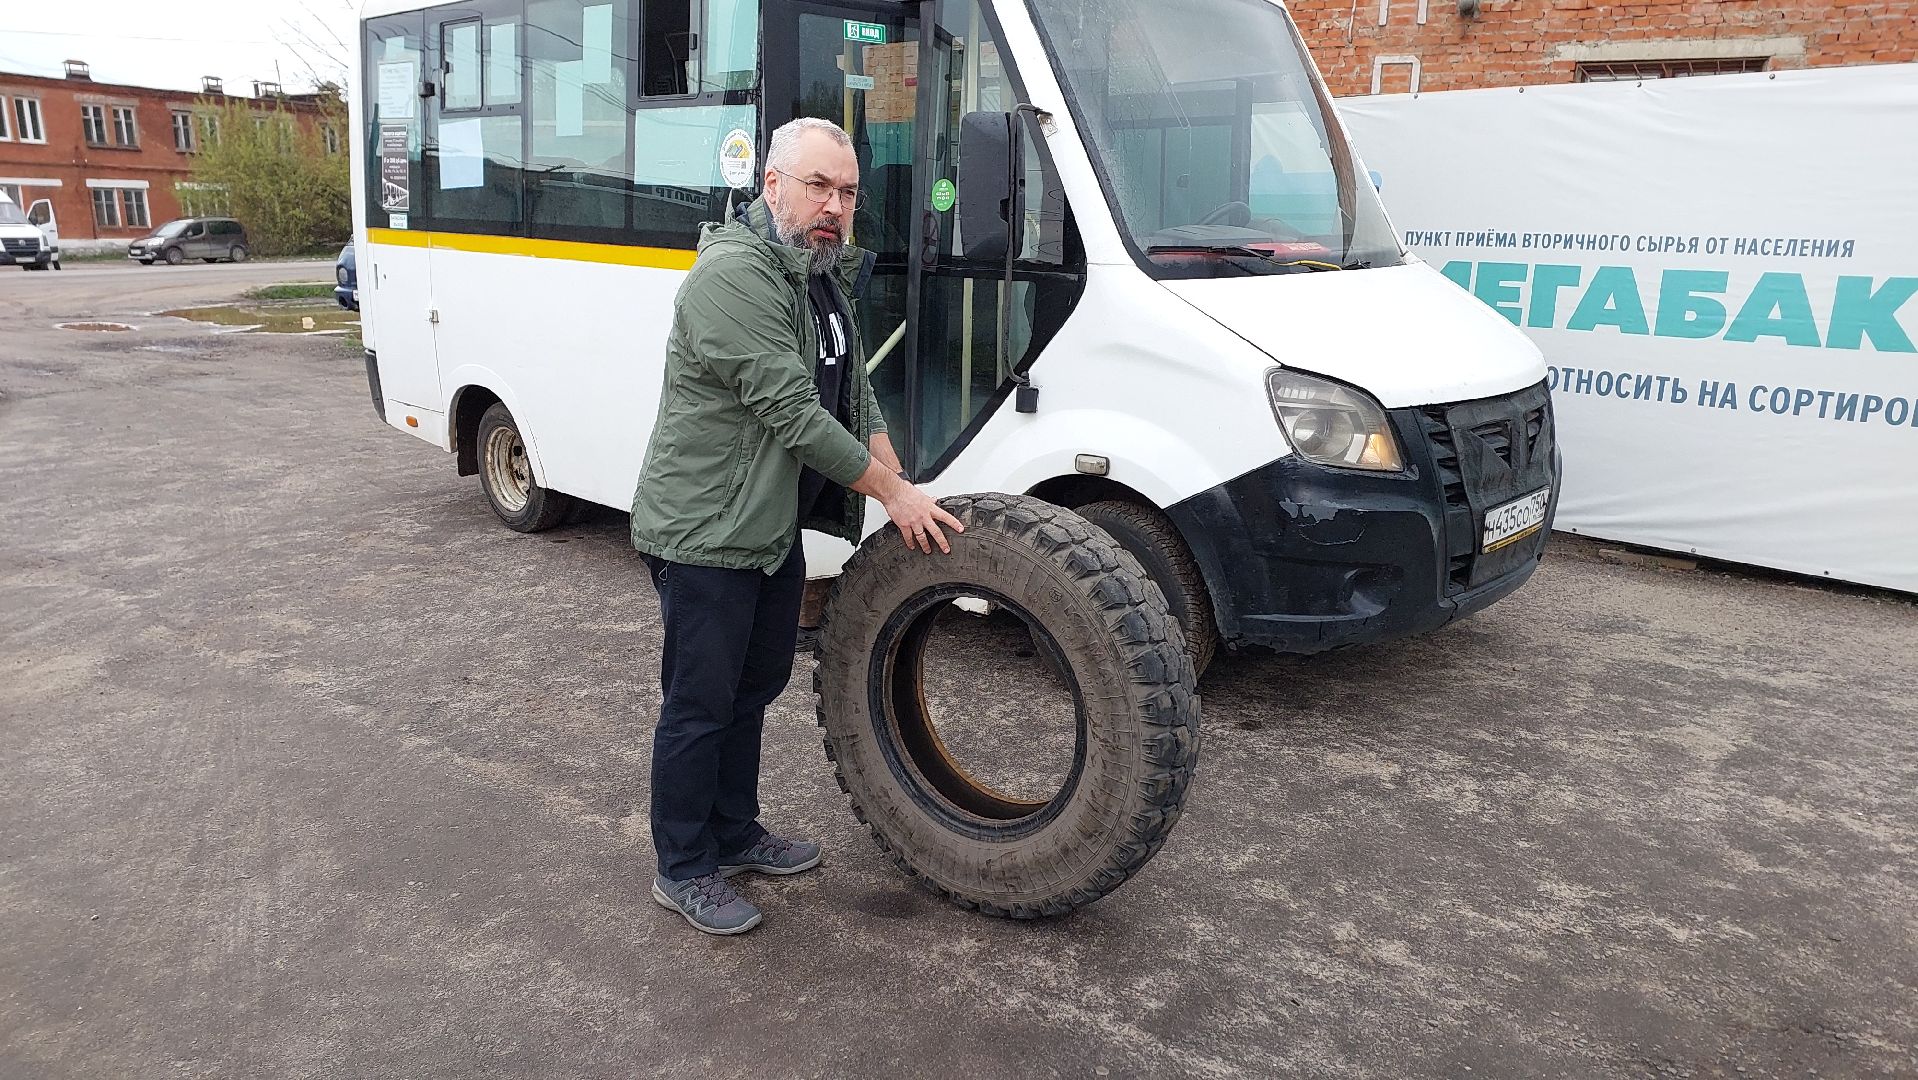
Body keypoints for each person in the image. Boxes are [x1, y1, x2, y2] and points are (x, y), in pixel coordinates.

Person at [629, 117, 966, 936]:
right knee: (699, 704)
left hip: (763, 524)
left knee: (753, 688)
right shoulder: (734, 277)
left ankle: (735, 832)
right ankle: (683, 865)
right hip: (704, 529)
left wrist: (897, 475)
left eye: (848, 191)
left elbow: (853, 391)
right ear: (772, 183)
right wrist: (892, 495)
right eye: (819, 185)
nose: (836, 205)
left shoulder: (816, 272)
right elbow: (795, 413)